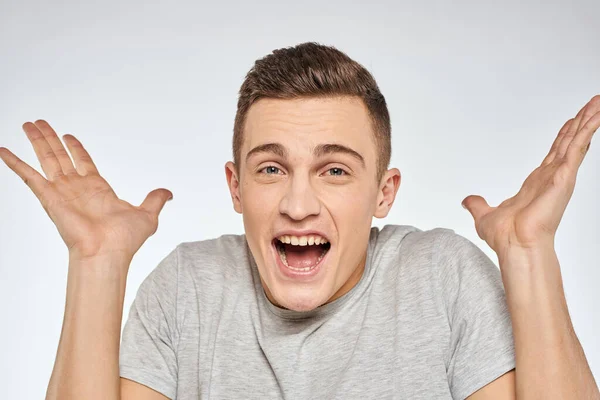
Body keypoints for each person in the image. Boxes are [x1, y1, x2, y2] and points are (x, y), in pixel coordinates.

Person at [1, 42, 598, 400]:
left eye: (335, 171)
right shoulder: (188, 289)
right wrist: (96, 262)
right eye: (270, 169)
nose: (298, 203)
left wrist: (527, 251)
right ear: (236, 187)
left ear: (383, 193)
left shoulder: (443, 277)